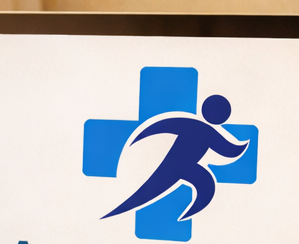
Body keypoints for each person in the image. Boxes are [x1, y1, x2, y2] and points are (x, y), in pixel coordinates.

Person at [103, 94, 248, 220]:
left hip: (183, 168)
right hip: (180, 167)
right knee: (201, 184)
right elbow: (232, 150)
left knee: (201, 184)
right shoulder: (206, 132)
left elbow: (161, 126)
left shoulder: (192, 126)